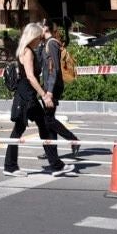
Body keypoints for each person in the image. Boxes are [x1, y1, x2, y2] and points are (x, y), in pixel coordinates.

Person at [2, 23, 67, 176]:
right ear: (33, 37)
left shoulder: (24, 50)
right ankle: (54, 165)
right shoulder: (28, 52)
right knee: (25, 128)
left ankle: (12, 166)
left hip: (26, 94)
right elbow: (31, 76)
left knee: (35, 126)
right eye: (39, 36)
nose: (41, 39)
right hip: (27, 96)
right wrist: (44, 95)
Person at [38, 23, 82, 159]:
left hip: (53, 87)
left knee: (48, 120)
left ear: (46, 29)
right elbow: (41, 64)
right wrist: (40, 45)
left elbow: (55, 69)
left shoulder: (51, 44)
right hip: (49, 85)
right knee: (49, 119)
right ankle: (52, 151)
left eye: (39, 28)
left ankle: (73, 140)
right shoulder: (46, 43)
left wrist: (49, 91)